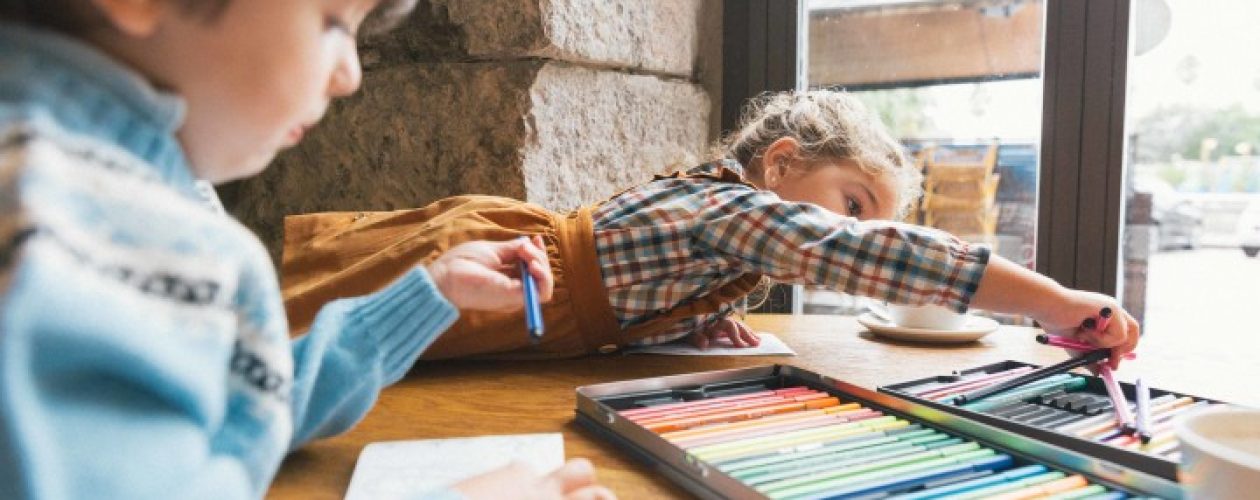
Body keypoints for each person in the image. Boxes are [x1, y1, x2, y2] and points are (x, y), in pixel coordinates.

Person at [0, 1, 613, 499]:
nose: (350, 74)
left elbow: (232, 405)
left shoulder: (91, 185)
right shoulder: (85, 226)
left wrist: (429, 294)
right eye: (330, 22)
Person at [281, 89, 1141, 366]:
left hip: (533, 322)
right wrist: (1052, 300)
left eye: (867, 215)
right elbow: (855, 257)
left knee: (366, 351)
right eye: (851, 202)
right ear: (781, 164)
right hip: (502, 279)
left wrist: (696, 314)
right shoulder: (725, 207)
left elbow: (637, 274)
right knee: (313, 330)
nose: (854, 229)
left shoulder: (722, 224)